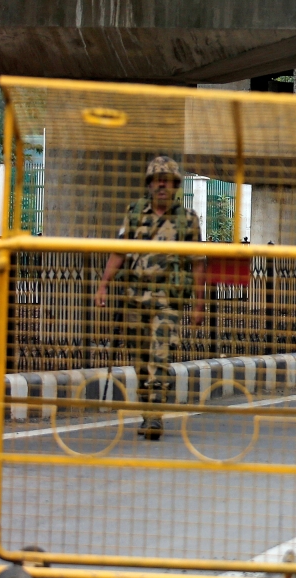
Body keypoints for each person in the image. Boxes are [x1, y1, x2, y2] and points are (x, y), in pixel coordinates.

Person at [94, 156, 206, 440]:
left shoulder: (188, 220)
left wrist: (198, 305)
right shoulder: (134, 215)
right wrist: (103, 285)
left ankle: (155, 417)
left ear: (175, 185)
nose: (162, 186)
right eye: (157, 181)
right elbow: (119, 252)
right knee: (141, 361)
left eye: (167, 181)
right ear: (150, 184)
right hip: (135, 300)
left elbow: (198, 264)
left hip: (167, 302)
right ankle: (147, 412)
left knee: (159, 356)